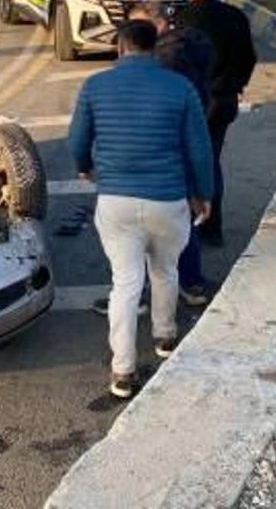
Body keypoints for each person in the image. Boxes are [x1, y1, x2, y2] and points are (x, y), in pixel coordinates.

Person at [68, 20, 214, 399]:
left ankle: (122, 371)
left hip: (116, 201)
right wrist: (204, 193)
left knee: (126, 284)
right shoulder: (179, 88)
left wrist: (84, 165)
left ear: (120, 46)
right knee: (165, 270)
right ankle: (165, 337)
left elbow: (77, 139)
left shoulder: (95, 86)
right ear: (155, 47)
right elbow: (199, 148)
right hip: (167, 199)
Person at [133, 1, 214, 307]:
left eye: (136, 27)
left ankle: (143, 296)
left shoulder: (164, 61)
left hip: (159, 153)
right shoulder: (190, 45)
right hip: (180, 152)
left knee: (141, 231)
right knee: (182, 220)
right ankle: (191, 283)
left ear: (155, 25)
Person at [181, 0, 256, 247]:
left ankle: (192, 225)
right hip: (225, 98)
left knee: (190, 162)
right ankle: (213, 227)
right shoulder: (235, 16)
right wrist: (236, 84)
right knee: (212, 160)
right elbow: (249, 56)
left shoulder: (184, 19)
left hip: (195, 100)